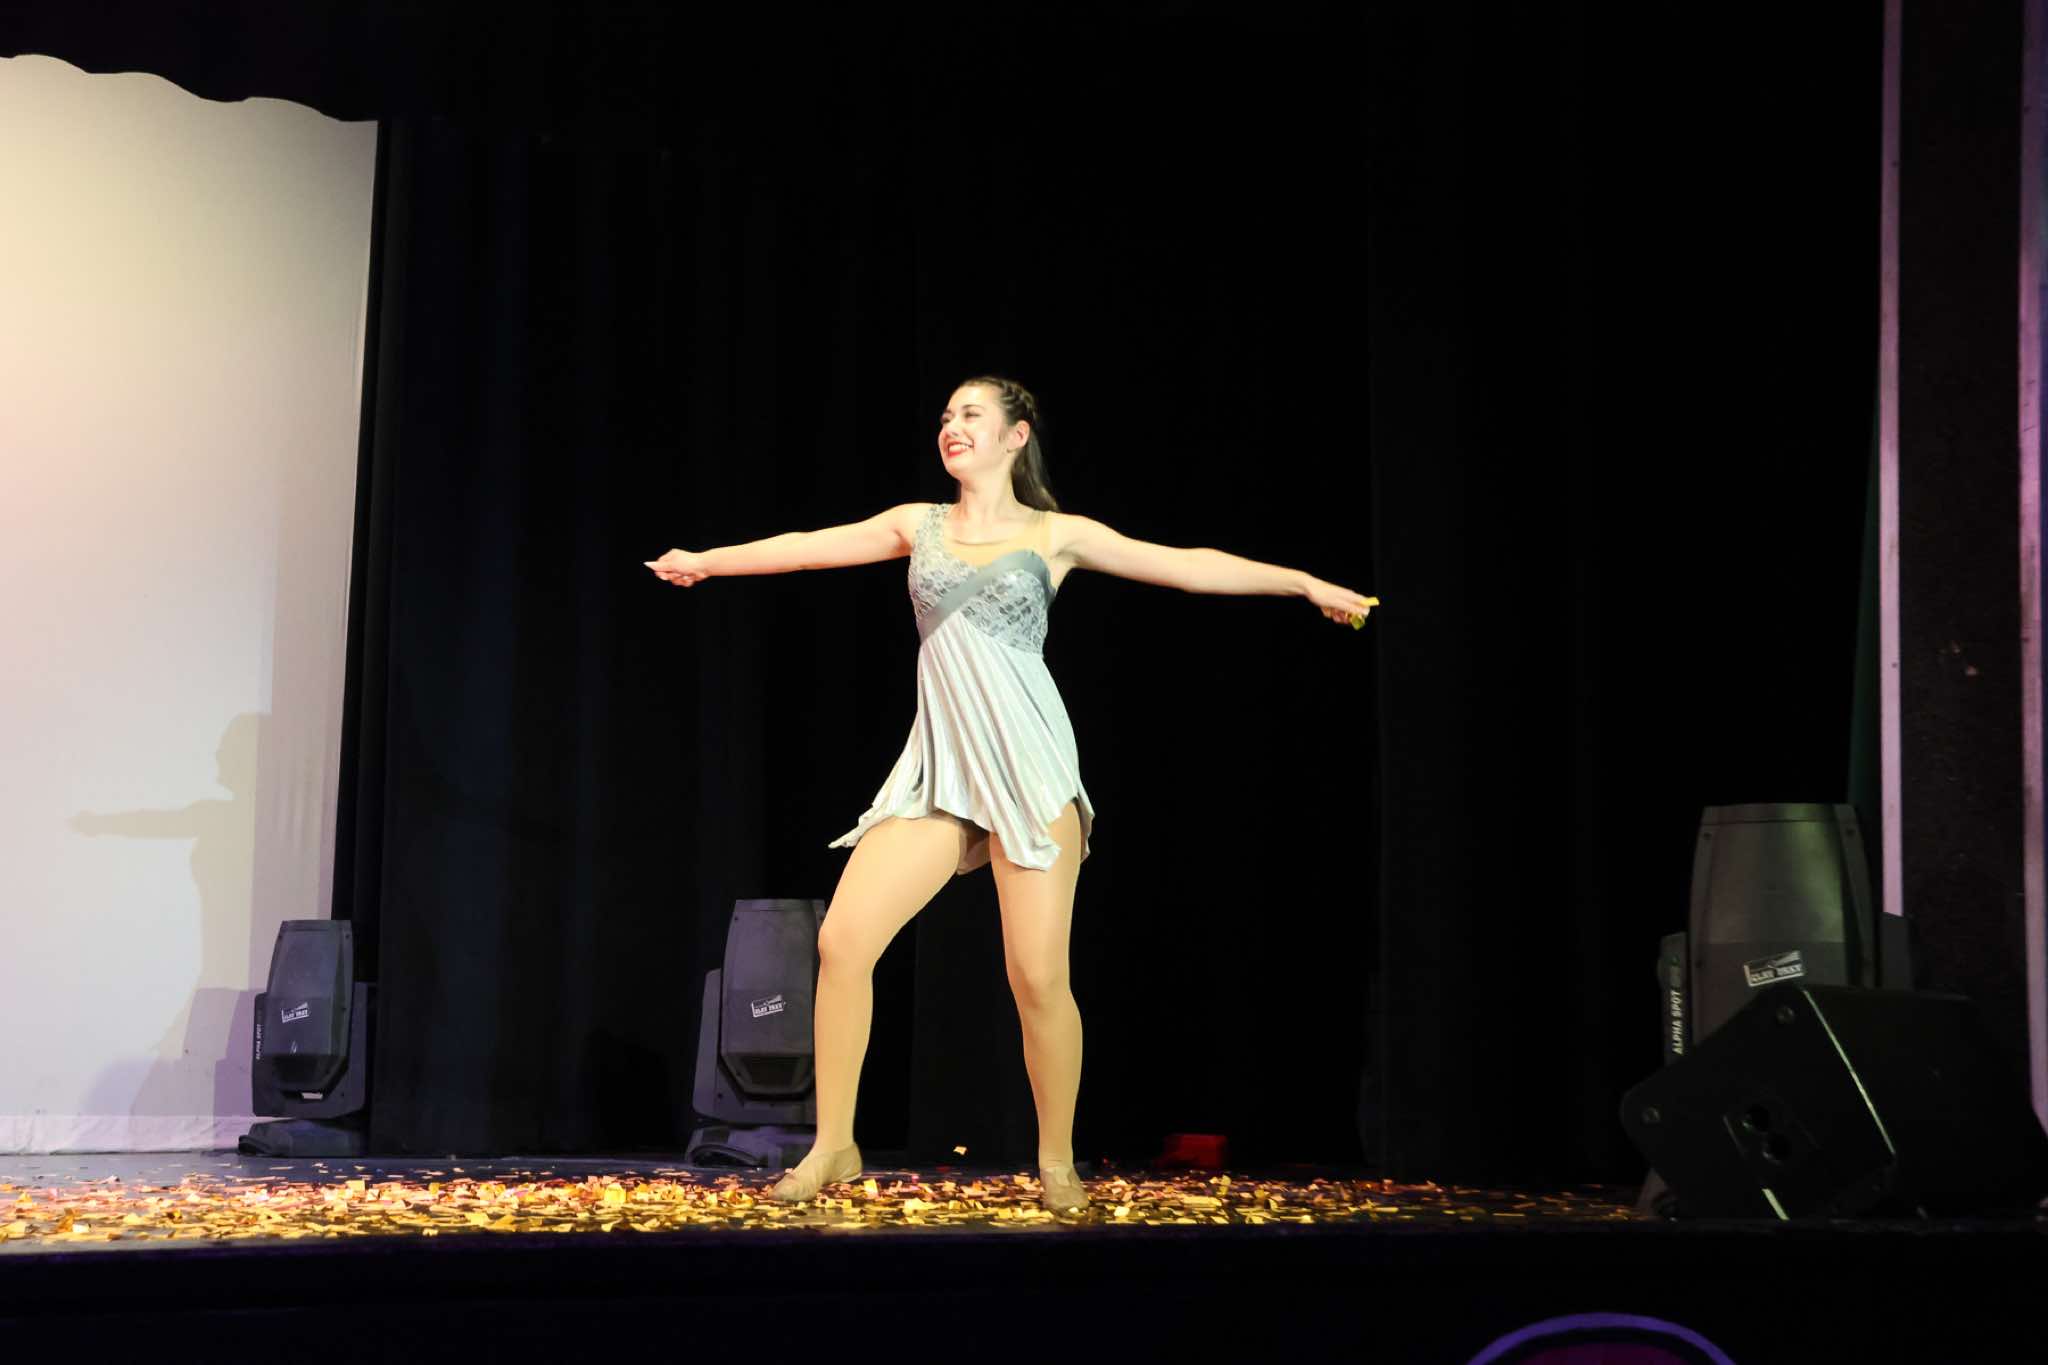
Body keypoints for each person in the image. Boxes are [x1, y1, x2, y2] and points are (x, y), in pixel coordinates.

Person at [645, 375, 1376, 1214]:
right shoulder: (917, 524)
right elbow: (809, 545)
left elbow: (1186, 565)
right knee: (843, 942)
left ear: (1016, 435)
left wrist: (1303, 582)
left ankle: (1057, 1160)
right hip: (942, 774)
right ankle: (835, 1144)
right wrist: (707, 561)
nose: (951, 427)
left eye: (972, 415)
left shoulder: (1056, 535)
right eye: (945, 416)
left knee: (1036, 976)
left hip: (1028, 768)